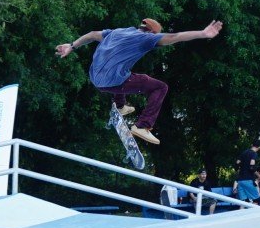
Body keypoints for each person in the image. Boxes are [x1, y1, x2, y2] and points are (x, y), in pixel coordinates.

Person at [55, 18, 223, 145]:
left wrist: (72, 45)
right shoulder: (147, 39)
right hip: (111, 82)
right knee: (160, 87)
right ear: (152, 33)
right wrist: (203, 34)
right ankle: (142, 126)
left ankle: (120, 106)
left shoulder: (118, 32)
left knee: (127, 74)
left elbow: (92, 35)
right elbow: (175, 36)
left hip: (95, 78)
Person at [235, 140, 260, 207]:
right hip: (248, 180)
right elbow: (252, 167)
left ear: (251, 145)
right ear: (259, 148)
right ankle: (254, 216)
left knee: (243, 203)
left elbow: (237, 163)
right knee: (256, 200)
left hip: (240, 181)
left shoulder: (244, 153)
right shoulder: (254, 154)